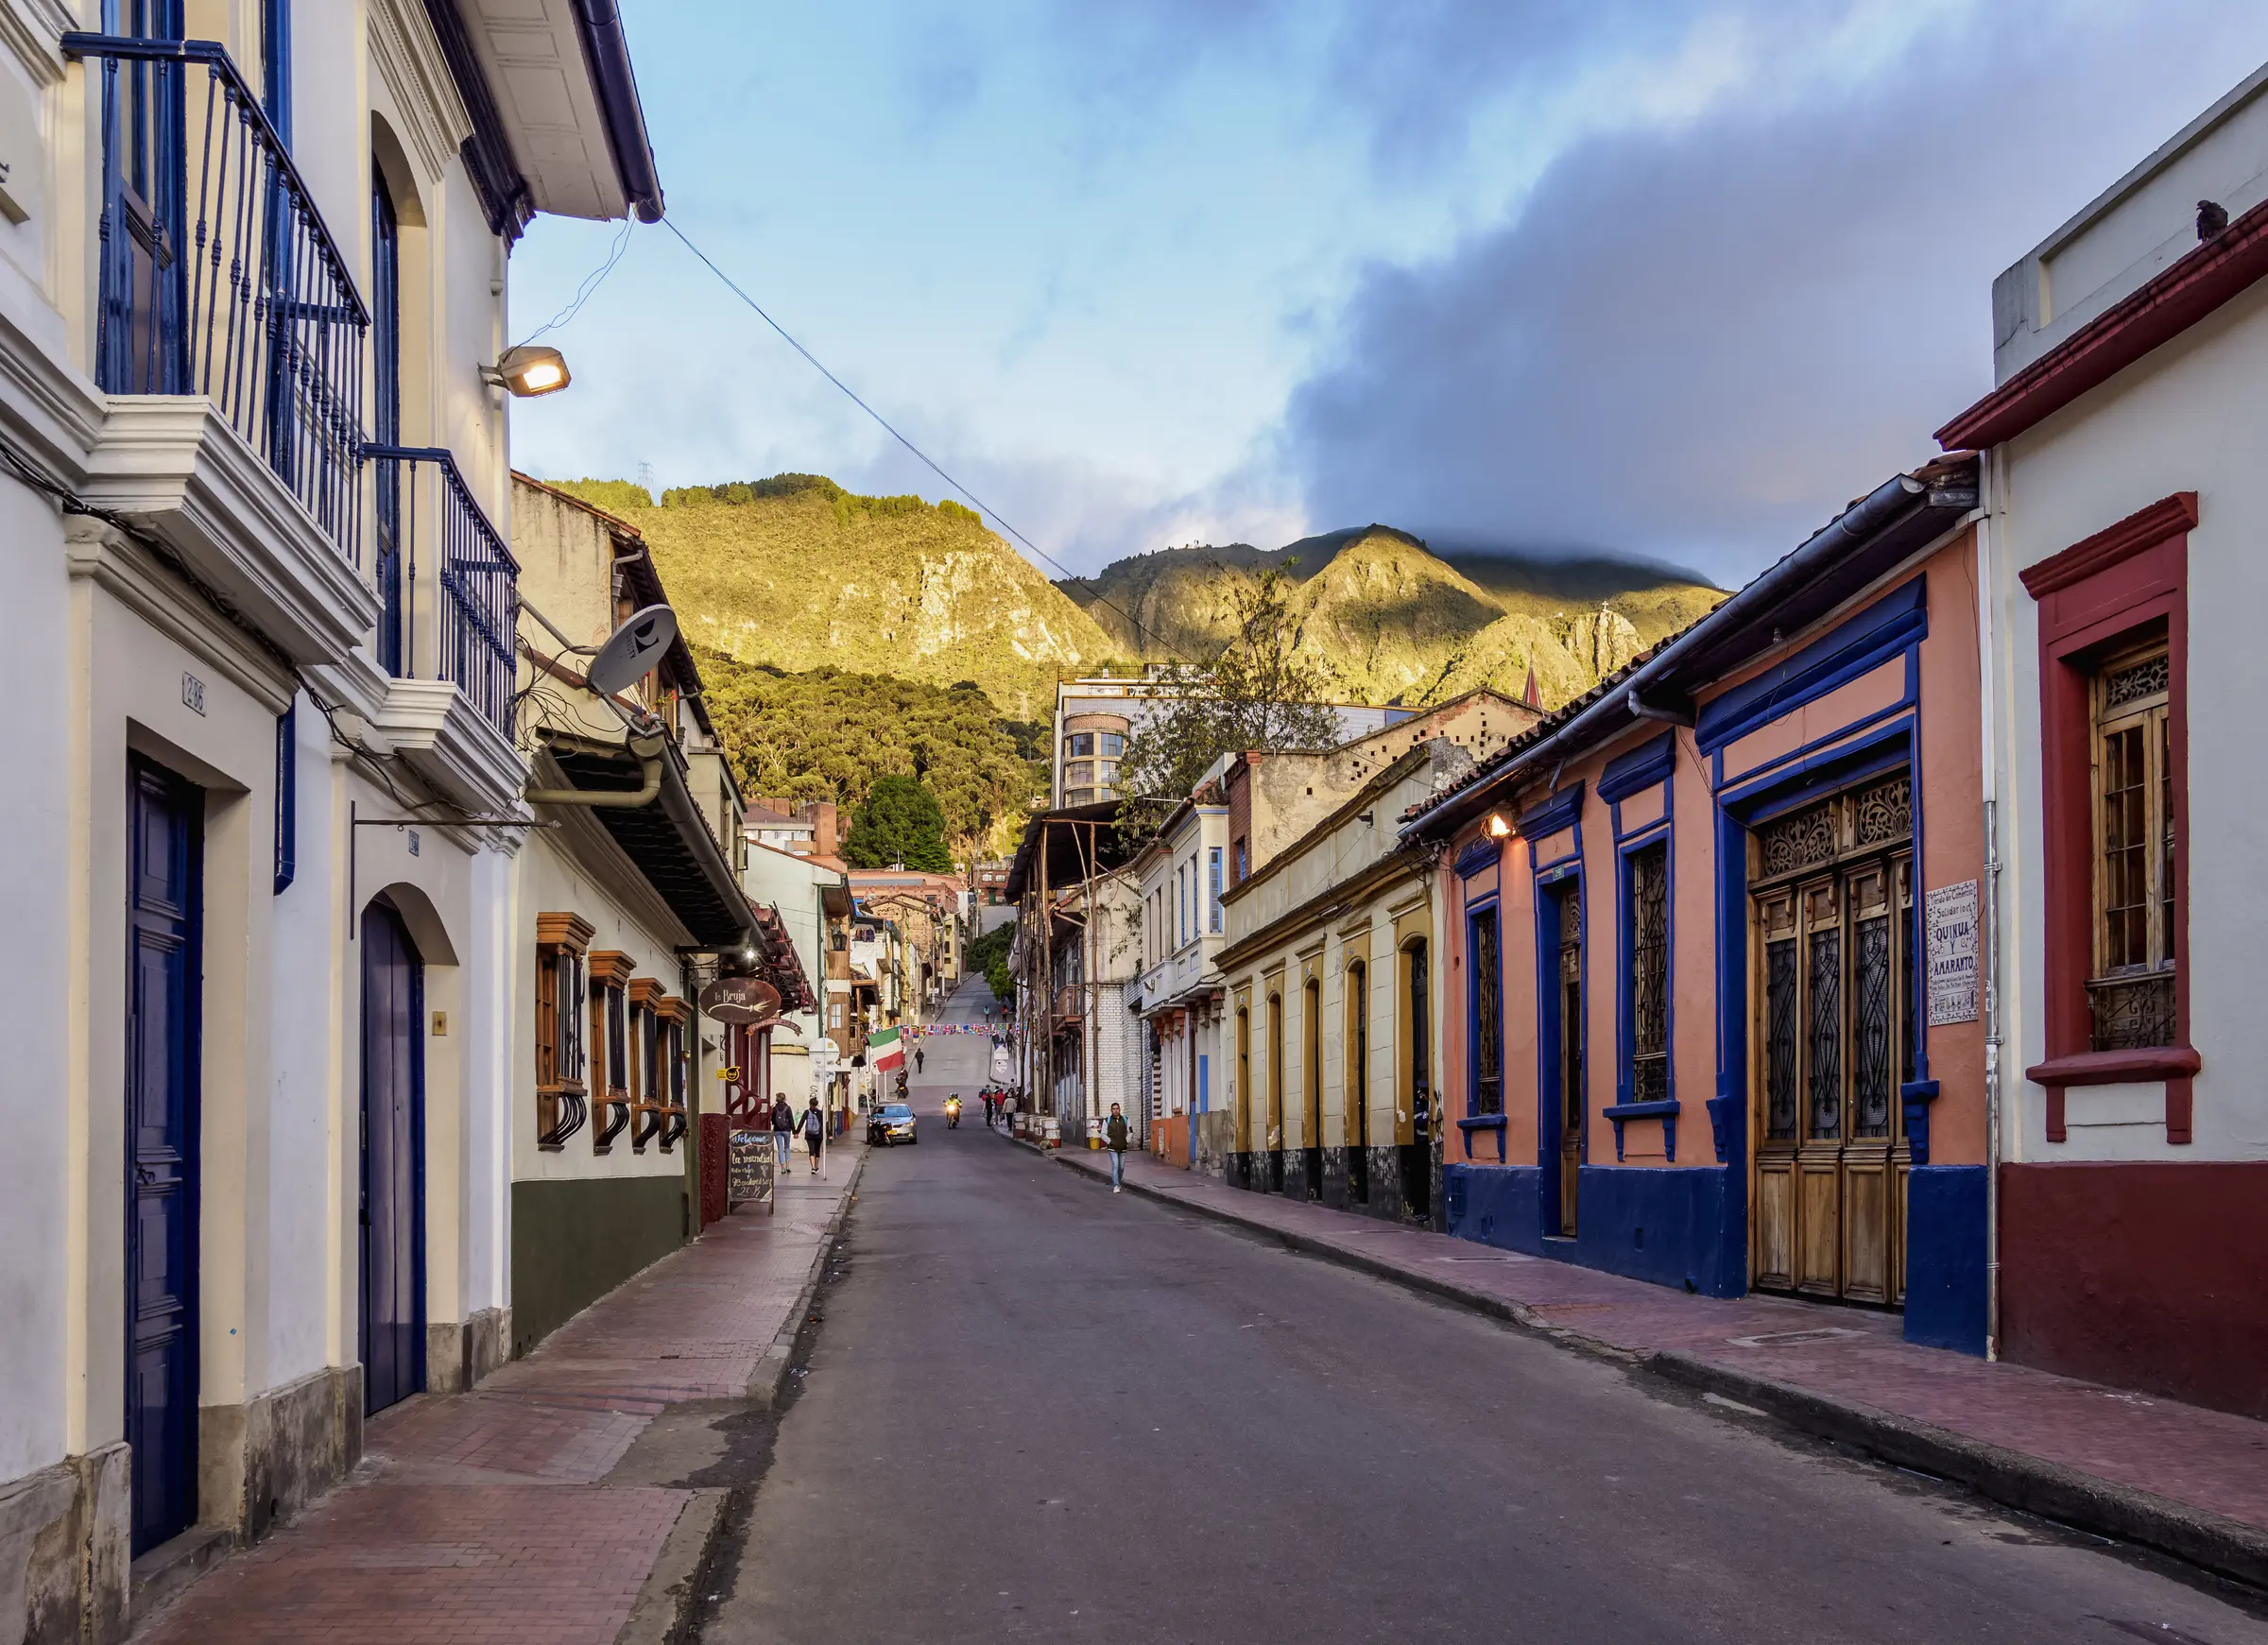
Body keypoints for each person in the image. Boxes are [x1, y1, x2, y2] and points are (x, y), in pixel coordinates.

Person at [1105, 1102, 1129, 1192]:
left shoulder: (1125, 1119)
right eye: (1114, 1109)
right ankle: (1116, 1185)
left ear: (1119, 1109)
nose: (1115, 1110)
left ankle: (1118, 1181)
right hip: (1112, 1147)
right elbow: (1103, 1133)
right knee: (1115, 1165)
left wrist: (1127, 1140)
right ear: (1111, 1110)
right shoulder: (1107, 1120)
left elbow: (1130, 1131)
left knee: (1121, 1167)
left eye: (1117, 1108)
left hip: (1123, 1147)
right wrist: (1110, 1141)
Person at [769, 1092, 794, 1168]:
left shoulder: (774, 1108)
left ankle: (782, 1167)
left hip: (777, 1130)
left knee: (780, 1148)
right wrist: (794, 1131)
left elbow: (772, 1120)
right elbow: (791, 1119)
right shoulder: (788, 1108)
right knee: (787, 1147)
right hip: (786, 1130)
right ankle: (788, 1166)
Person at [800, 1096, 824, 1174]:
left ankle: (813, 1168)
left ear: (809, 1104)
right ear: (816, 1104)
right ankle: (816, 1167)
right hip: (819, 1135)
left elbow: (801, 1122)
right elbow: (824, 1124)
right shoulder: (820, 1113)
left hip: (809, 1135)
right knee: (817, 1151)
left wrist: (796, 1132)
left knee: (811, 1150)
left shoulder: (807, 1112)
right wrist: (829, 1133)